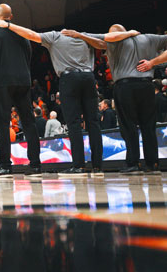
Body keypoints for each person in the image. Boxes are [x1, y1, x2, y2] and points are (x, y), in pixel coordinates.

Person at [0, 20, 103, 174]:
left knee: (74, 123)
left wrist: (8, 25)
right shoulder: (84, 36)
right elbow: (104, 43)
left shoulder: (55, 36)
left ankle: (79, 165)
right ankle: (97, 165)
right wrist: (81, 35)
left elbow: (31, 34)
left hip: (70, 79)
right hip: (89, 78)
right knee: (93, 122)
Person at [70, 26, 167, 172]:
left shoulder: (114, 41)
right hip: (147, 85)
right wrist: (153, 62)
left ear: (114, 33)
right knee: (148, 126)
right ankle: (152, 164)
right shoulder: (148, 38)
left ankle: (133, 163)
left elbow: (99, 41)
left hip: (125, 86)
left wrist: (79, 35)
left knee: (128, 126)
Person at [0, 4, 41, 175]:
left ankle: (6, 165)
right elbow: (29, 56)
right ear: (11, 17)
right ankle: (36, 164)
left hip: (1, 82)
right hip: (23, 80)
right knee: (29, 122)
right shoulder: (21, 33)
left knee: (1, 123)